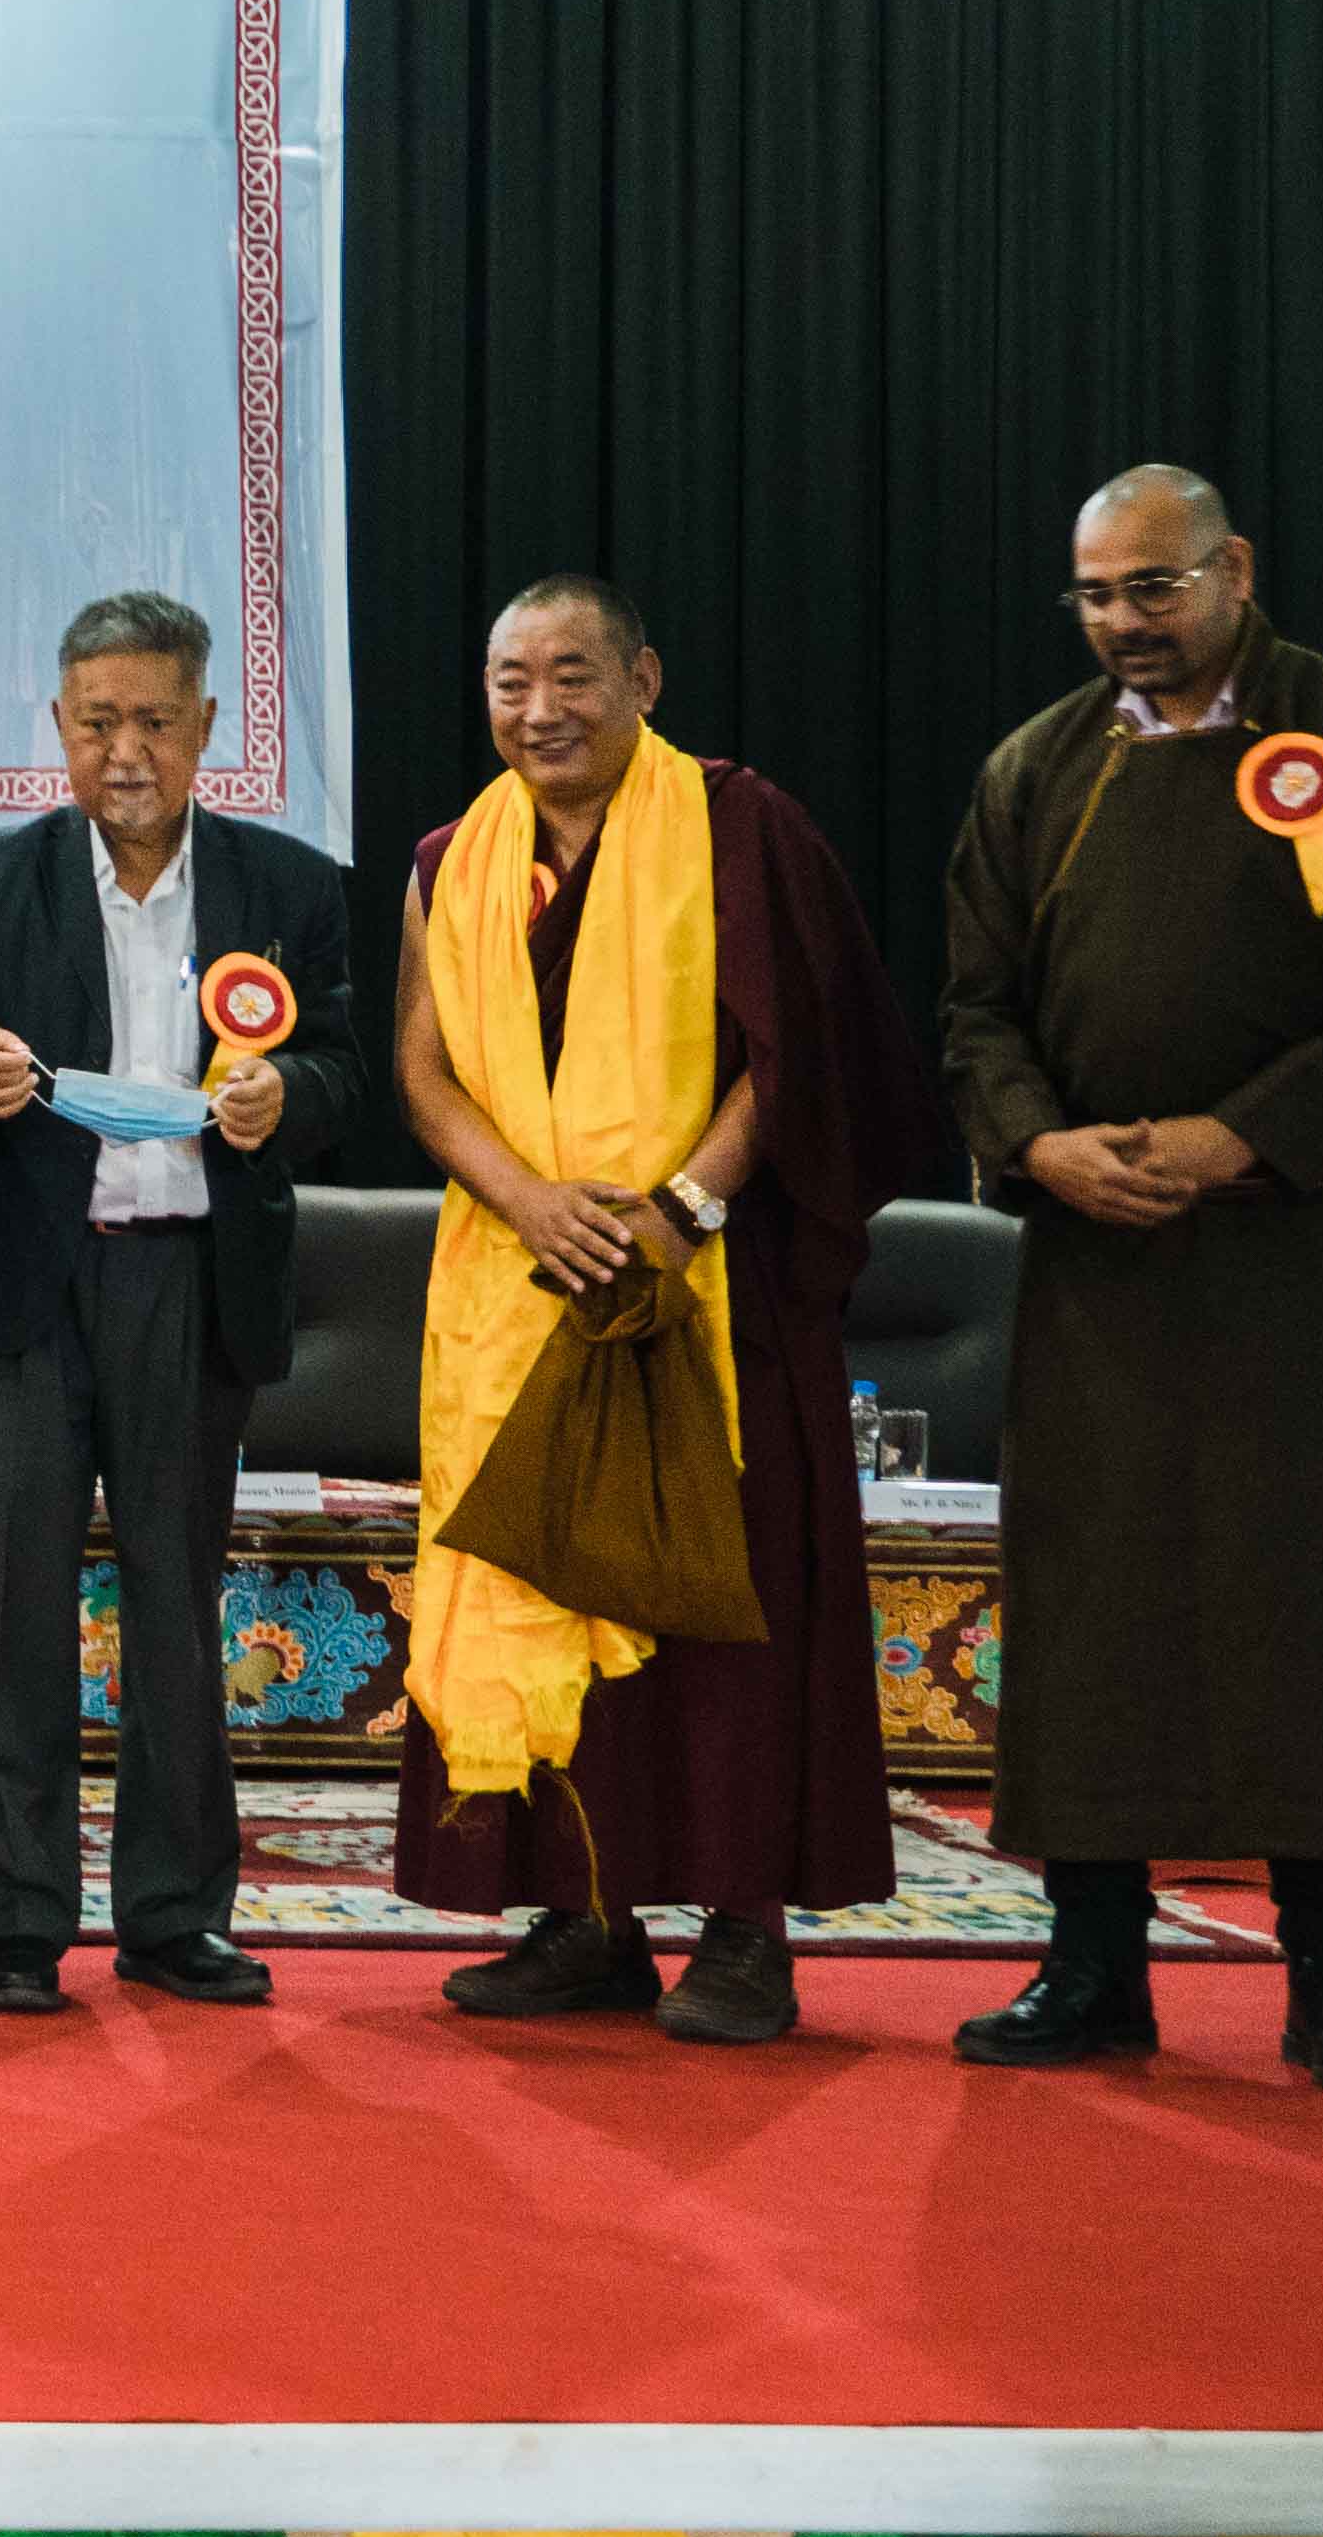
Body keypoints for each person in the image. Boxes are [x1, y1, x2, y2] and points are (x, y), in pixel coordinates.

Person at [943, 466, 1323, 2095]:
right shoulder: (1036, 767)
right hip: (1101, 1259)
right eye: (1097, 597)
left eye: (1154, 589)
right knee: (1095, 1611)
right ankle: (1092, 1966)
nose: (1125, 623)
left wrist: (1239, 1137)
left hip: (1306, 1254)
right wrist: (1042, 1147)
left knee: (1315, 1602)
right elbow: (976, 1011)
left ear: (1234, 569)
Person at [387, 577, 928, 2045]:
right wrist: (530, 1202)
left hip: (708, 1287)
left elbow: (797, 1053)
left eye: (573, 675)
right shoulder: (452, 859)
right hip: (524, 1280)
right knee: (546, 1583)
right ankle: (585, 1919)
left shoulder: (745, 829)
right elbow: (423, 1071)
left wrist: (683, 1207)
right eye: (510, 681)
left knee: (723, 1598)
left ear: (645, 679)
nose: (539, 709)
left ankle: (746, 1932)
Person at [0, 588, 359, 2015]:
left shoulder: (288, 885)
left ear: (207, 723)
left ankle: (173, 1917)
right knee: (12, 1611)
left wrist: (289, 1095)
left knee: (175, 1604)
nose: (126, 750)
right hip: (29, 1291)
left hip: (192, 1281)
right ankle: (15, 1926)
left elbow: (347, 1069)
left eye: (155, 720)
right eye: (97, 721)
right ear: (59, 724)